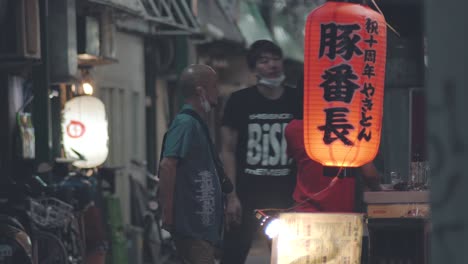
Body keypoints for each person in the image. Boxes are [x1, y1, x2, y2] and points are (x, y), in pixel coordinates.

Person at [221, 40, 299, 264]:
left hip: (287, 194)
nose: (272, 65)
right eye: (264, 61)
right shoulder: (240, 101)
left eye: (276, 59)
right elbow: (227, 150)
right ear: (254, 69)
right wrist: (231, 195)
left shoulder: (296, 100)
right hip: (247, 194)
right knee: (233, 254)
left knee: (289, 257)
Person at [285, 75, 382, 213]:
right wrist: (379, 190)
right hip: (341, 214)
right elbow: (370, 174)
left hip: (304, 210)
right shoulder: (351, 128)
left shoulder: (293, 128)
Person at [159, 64, 223, 264]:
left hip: (201, 227)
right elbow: (167, 165)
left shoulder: (196, 123)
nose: (217, 92)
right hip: (193, 226)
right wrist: (168, 216)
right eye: (214, 86)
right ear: (200, 91)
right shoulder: (186, 123)